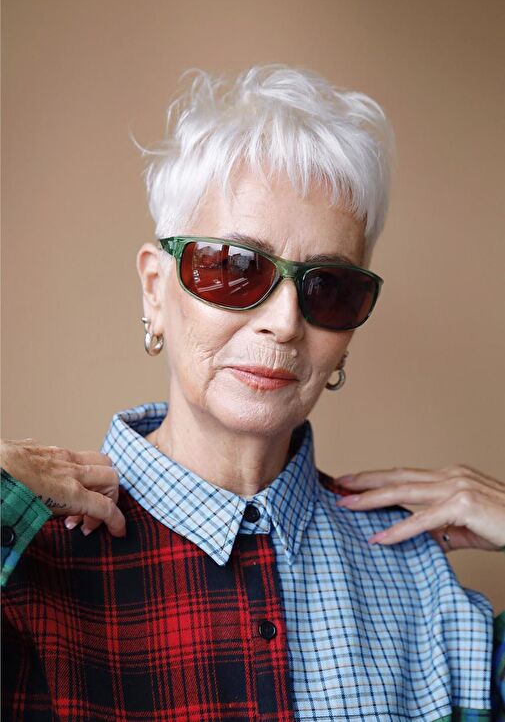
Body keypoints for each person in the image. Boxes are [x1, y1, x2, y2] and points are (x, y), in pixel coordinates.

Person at [2, 65, 504, 721]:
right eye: (235, 267)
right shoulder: (27, 554)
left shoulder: (419, 577)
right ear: (155, 289)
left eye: (328, 287)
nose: (285, 322)